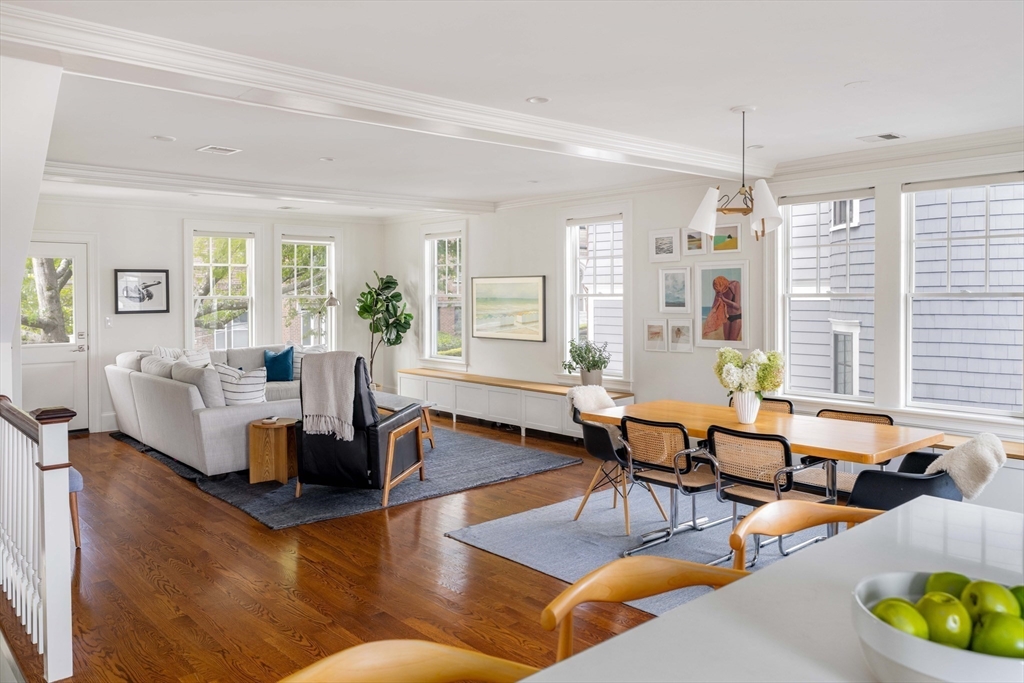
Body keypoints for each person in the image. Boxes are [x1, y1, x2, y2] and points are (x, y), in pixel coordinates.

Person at [702, 275, 742, 341]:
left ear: (723, 284)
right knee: (726, 340)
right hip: (727, 316)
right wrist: (717, 297)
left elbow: (737, 306)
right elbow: (714, 306)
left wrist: (724, 299)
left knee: (733, 339)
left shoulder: (735, 285)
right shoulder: (719, 289)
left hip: (736, 316)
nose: (720, 291)